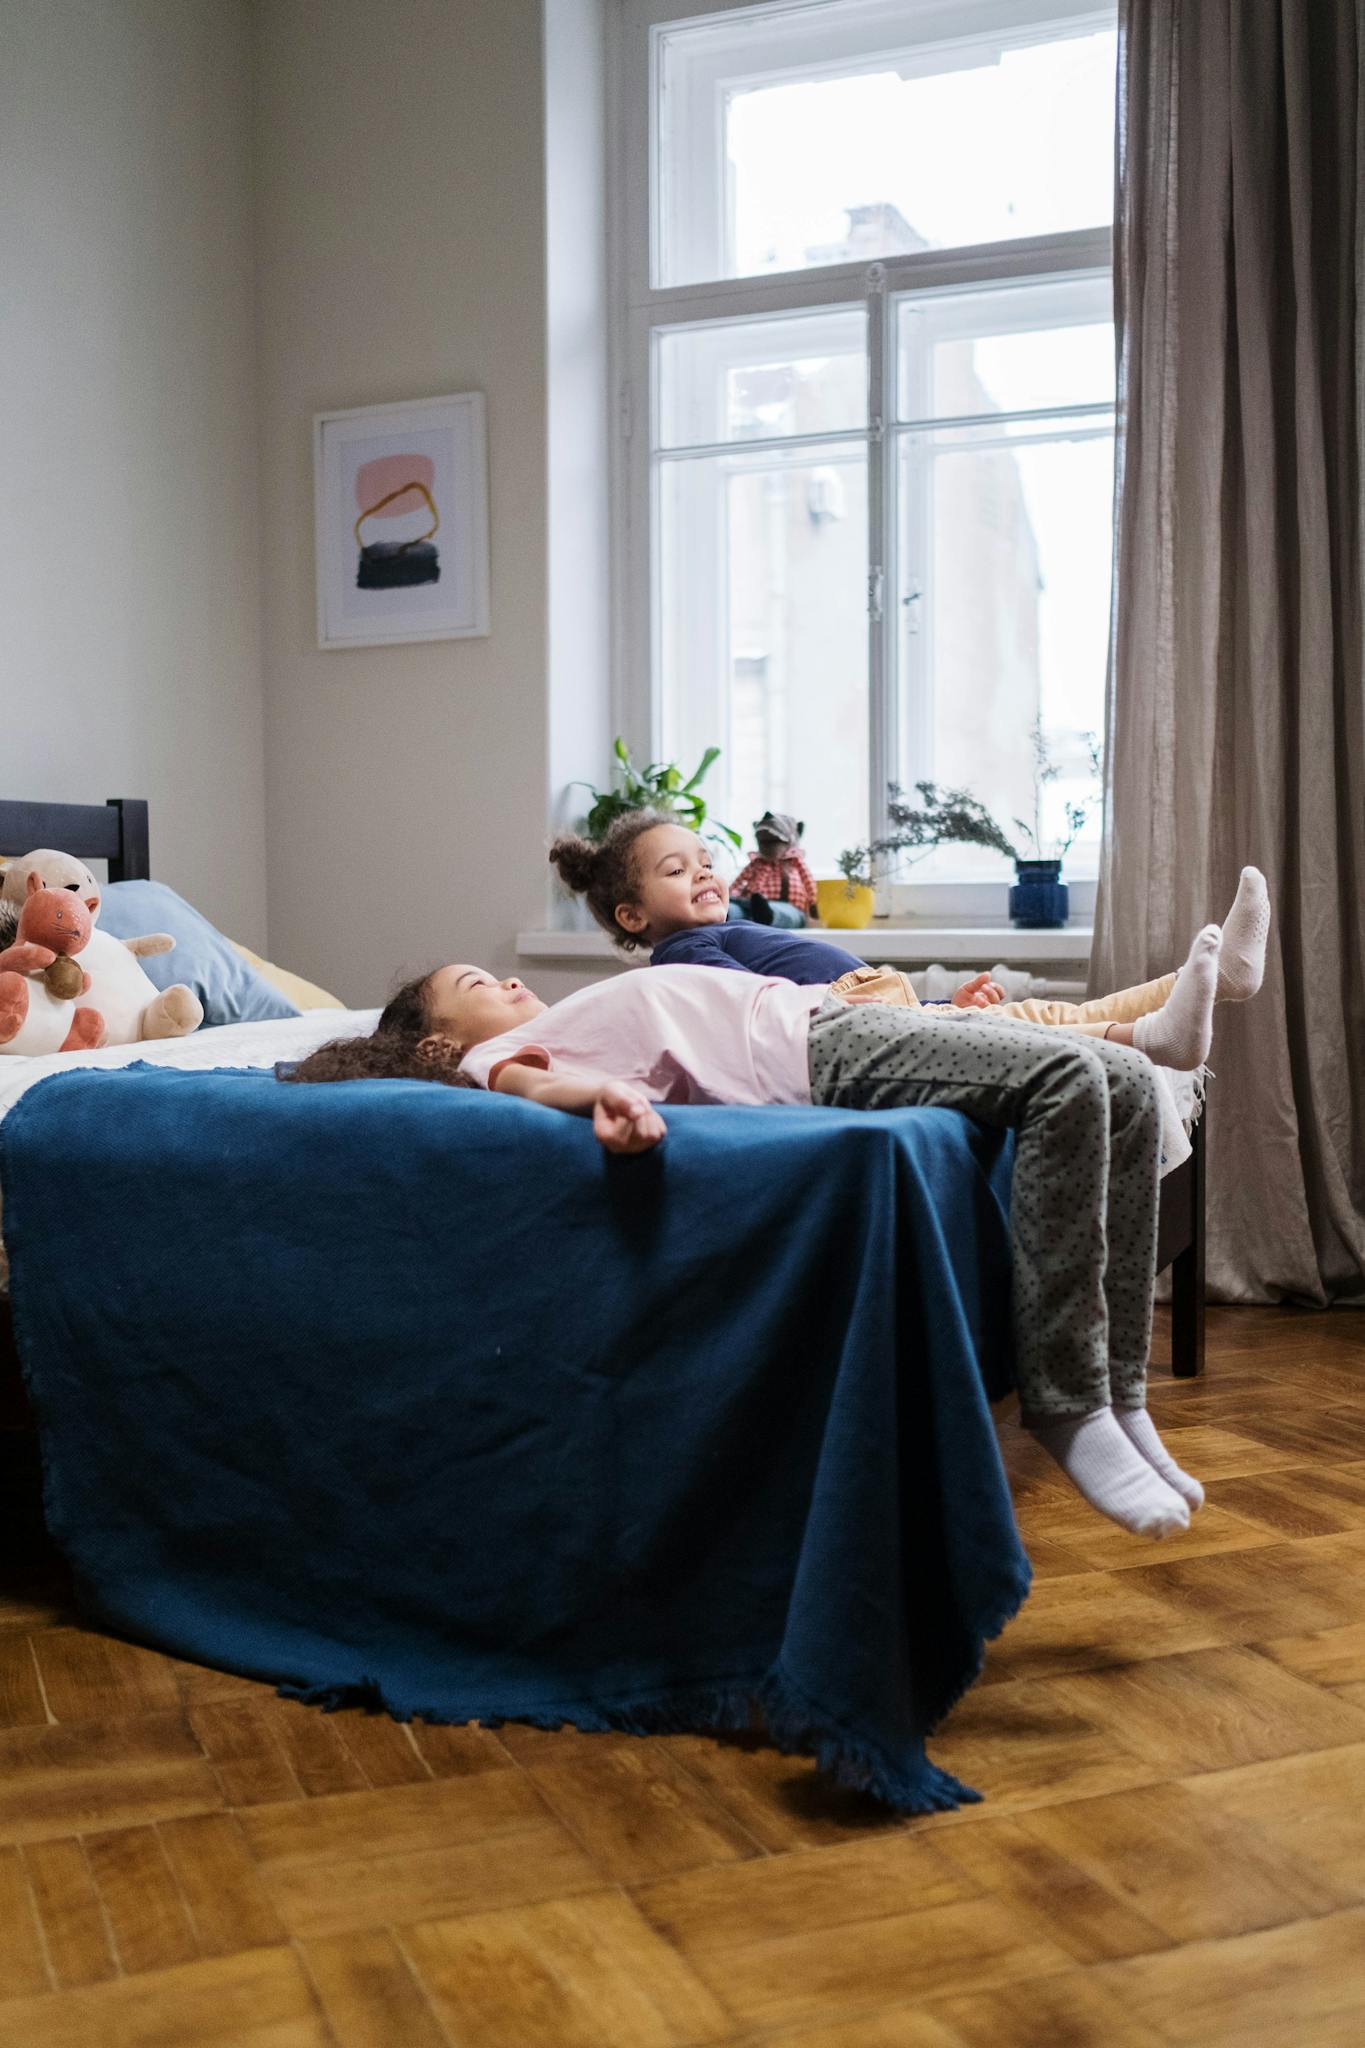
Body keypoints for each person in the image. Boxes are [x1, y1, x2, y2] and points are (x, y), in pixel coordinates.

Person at [286, 950, 1218, 1542]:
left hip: (816, 1013)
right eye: (477, 987)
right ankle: (1063, 1400)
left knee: (1128, 1081)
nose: (510, 982)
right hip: (803, 1055)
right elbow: (531, 1091)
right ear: (442, 1047)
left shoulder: (554, 1017)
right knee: (1061, 1079)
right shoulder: (501, 1059)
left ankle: (1120, 1391)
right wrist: (603, 1100)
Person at [547, 815, 1271, 1073]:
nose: (703, 871)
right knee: (1029, 1027)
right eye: (676, 871)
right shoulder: (681, 958)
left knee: (1038, 1018)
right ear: (632, 916)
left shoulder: (732, 929)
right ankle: (1151, 1037)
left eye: (704, 858)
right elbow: (751, 1009)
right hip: (850, 1019)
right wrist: (898, 1009)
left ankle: (1205, 984)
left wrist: (939, 1001)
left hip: (875, 1004)